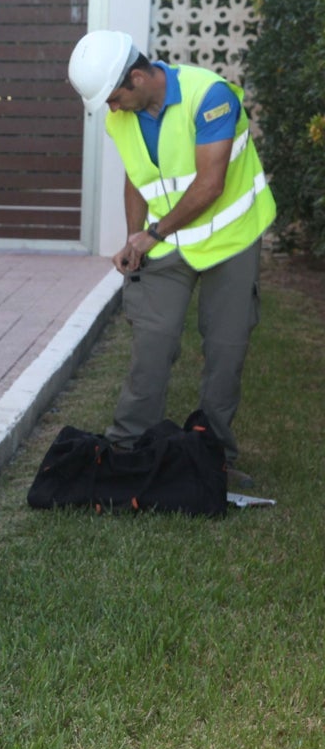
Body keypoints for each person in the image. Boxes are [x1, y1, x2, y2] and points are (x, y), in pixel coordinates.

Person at [67, 32, 275, 485]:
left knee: (226, 346)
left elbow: (210, 184)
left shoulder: (210, 97)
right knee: (152, 340)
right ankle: (126, 449)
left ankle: (214, 455)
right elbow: (137, 176)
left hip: (231, 238)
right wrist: (131, 237)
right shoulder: (123, 117)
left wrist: (151, 235)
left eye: (116, 97)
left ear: (138, 78)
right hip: (169, 242)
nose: (113, 108)